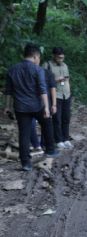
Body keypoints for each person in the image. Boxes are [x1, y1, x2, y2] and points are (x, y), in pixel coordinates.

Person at [4, 43, 59, 171]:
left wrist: (7, 107)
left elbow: (8, 91)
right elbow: (42, 89)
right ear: (35, 56)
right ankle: (50, 150)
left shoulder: (12, 70)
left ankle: (26, 163)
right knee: (47, 124)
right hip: (37, 105)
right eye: (38, 58)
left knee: (24, 134)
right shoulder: (37, 69)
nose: (38, 60)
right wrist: (46, 107)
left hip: (20, 108)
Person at [45, 47, 73, 149]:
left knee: (66, 118)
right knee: (57, 118)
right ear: (54, 56)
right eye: (59, 58)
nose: (61, 60)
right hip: (55, 95)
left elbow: (67, 79)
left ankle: (66, 138)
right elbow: (43, 81)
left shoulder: (65, 65)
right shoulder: (47, 65)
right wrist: (56, 80)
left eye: (62, 58)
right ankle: (58, 140)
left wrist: (69, 91)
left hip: (66, 94)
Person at [30, 66, 58, 154]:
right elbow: (51, 89)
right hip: (42, 103)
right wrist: (53, 104)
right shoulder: (46, 73)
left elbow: (52, 89)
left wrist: (53, 104)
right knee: (46, 125)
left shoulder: (48, 73)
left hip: (34, 103)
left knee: (36, 125)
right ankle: (42, 146)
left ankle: (40, 145)